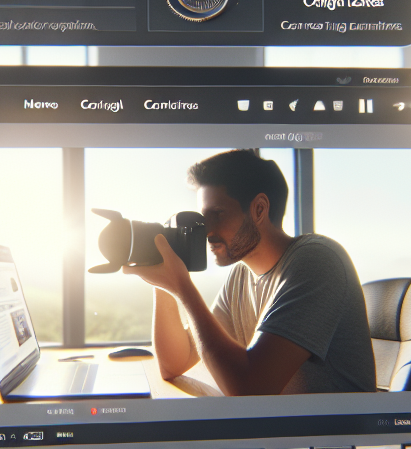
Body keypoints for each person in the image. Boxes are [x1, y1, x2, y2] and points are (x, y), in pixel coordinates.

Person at [123, 149, 375, 395]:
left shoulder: (317, 261)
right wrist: (164, 282)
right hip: (276, 431)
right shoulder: (241, 276)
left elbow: (251, 389)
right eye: (203, 218)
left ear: (259, 210)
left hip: (327, 435)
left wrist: (183, 286)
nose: (207, 231)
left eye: (217, 214)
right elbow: (174, 363)